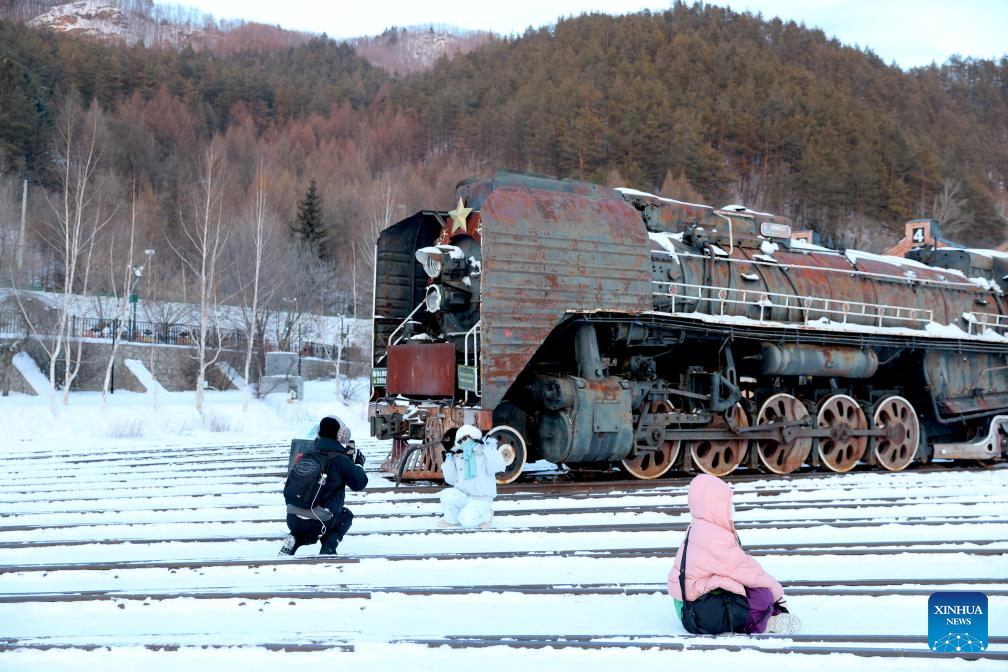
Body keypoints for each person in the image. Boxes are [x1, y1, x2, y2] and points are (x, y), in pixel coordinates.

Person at [668, 473, 801, 635]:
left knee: (750, 591)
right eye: (726, 504)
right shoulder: (713, 537)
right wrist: (777, 594)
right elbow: (746, 570)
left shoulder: (700, 527)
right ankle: (766, 622)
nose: (730, 509)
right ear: (713, 506)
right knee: (763, 596)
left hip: (689, 605)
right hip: (696, 613)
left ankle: (767, 615)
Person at [279, 416, 367, 556]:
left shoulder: (308, 453)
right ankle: (328, 548)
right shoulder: (340, 459)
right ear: (340, 435)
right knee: (346, 516)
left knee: (304, 528)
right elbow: (359, 483)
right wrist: (357, 465)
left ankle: (294, 538)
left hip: (292, 518)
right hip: (319, 522)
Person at [439, 424, 507, 528]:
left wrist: (488, 448)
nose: (463, 442)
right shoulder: (461, 457)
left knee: (466, 522)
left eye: (465, 438)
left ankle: (487, 515)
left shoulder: (484, 453)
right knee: (446, 494)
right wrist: (449, 459)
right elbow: (451, 480)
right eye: (460, 441)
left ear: (473, 436)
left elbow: (499, 466)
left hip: (481, 497)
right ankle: (452, 519)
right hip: (464, 495)